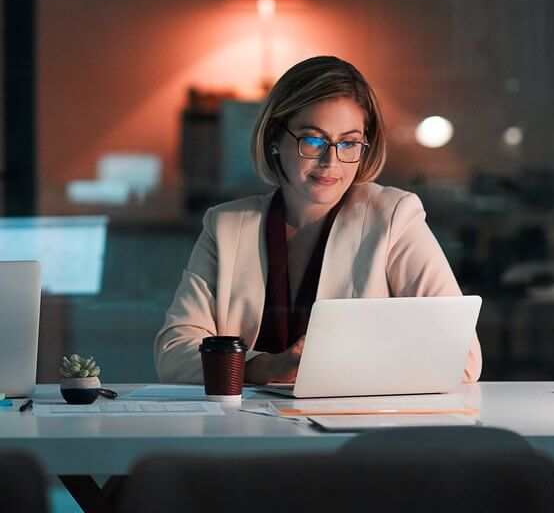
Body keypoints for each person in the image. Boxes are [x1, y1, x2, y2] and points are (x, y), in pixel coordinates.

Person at [155, 56, 482, 384]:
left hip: (350, 416)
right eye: (312, 140)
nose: (331, 161)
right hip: (244, 417)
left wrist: (329, 368)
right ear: (274, 138)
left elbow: (462, 359)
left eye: (349, 143)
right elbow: (173, 352)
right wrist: (266, 367)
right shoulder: (225, 226)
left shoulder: (394, 217)